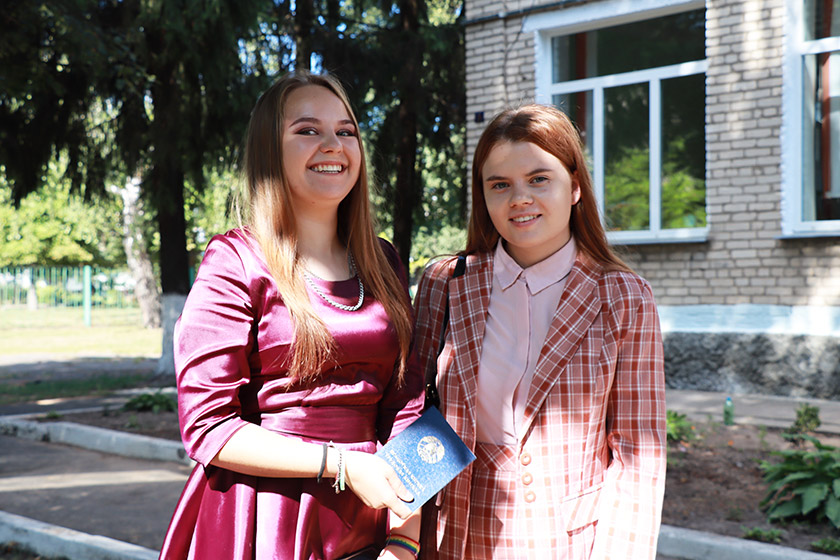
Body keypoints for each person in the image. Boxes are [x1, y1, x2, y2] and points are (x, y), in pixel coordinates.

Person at [159, 71, 424, 560]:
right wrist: (342, 464)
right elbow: (207, 426)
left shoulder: (384, 261)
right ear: (269, 151)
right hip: (262, 520)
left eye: (346, 131)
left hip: (372, 520)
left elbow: (407, 409)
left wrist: (404, 542)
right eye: (308, 130)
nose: (333, 145)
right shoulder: (236, 261)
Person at [414, 104, 666, 559]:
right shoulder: (445, 283)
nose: (519, 198)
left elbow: (637, 454)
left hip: (567, 542)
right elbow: (413, 412)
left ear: (575, 186)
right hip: (455, 537)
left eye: (538, 179)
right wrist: (402, 537)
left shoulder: (623, 296)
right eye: (500, 185)